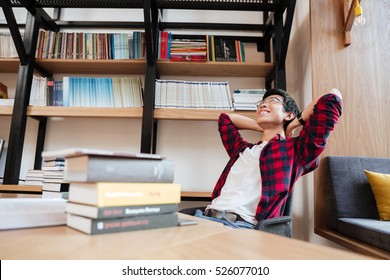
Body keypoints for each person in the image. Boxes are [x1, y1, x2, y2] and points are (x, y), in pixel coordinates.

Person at [195, 88, 343, 228]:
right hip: (205, 217)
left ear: (289, 114)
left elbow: (332, 96)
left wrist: (294, 123)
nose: (263, 104)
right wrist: (263, 127)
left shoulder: (296, 150)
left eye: (273, 101)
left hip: (241, 226)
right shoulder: (242, 149)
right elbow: (225, 119)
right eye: (261, 103)